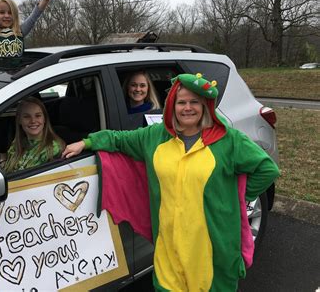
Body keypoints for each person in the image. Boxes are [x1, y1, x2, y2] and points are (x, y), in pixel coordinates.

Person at [62, 73, 280, 292]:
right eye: (181, 102)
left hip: (213, 246)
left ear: (205, 106)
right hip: (169, 245)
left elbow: (266, 169)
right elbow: (118, 139)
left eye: (195, 102)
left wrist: (235, 198)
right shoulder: (155, 137)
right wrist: (86, 142)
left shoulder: (227, 139)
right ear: (171, 106)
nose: (188, 108)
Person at [1, 96, 65, 172]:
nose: (33, 121)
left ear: (44, 119)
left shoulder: (53, 148)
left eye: (38, 116)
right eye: (27, 116)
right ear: (19, 120)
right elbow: (8, 171)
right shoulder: (17, 143)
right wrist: (2, 160)